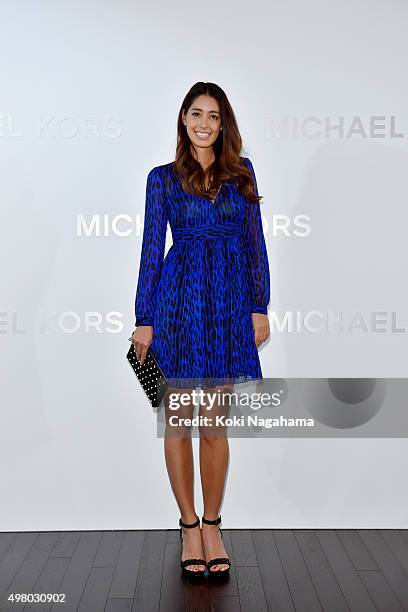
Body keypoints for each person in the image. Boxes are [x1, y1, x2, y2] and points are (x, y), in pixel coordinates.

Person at [130, 81, 270, 578]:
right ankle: (188, 526)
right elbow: (150, 251)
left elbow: (255, 243)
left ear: (223, 123)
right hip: (178, 302)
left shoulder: (241, 175)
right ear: (184, 120)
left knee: (214, 425)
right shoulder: (161, 179)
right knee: (178, 421)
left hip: (229, 303)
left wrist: (259, 305)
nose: (204, 123)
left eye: (213, 115)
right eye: (196, 113)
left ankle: (213, 524)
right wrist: (143, 319)